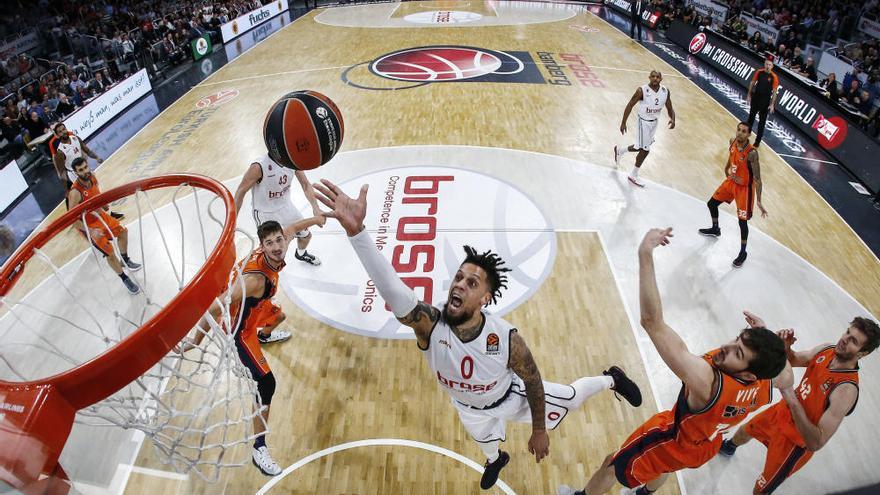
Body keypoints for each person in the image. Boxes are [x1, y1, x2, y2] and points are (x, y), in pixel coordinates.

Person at [312, 178, 643, 490]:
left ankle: (611, 379)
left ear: (485, 299)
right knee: (484, 442)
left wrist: (539, 429)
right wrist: (358, 233)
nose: (459, 284)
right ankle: (496, 458)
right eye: (458, 277)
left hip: (511, 398)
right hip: (468, 405)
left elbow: (533, 381)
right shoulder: (430, 324)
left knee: (571, 398)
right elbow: (395, 293)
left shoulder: (506, 339)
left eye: (472, 283)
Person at [556, 228, 790, 495]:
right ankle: (644, 494)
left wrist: (645, 253)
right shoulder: (767, 381)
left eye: (738, 354)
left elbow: (652, 323)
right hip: (706, 444)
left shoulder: (707, 382)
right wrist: (766, 338)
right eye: (736, 341)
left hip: (674, 439)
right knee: (665, 467)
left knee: (612, 464)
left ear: (749, 374)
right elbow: (787, 375)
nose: (726, 348)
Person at [178, 217, 325, 476]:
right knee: (267, 384)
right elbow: (215, 306)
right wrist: (194, 340)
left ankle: (266, 337)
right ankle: (259, 448)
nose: (277, 246)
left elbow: (292, 228)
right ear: (263, 246)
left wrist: (321, 216)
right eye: (270, 243)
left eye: (279, 239)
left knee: (279, 316)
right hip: (240, 330)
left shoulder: (280, 244)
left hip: (258, 307)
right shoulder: (254, 282)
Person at [719, 315, 878, 494]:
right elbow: (793, 359)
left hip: (794, 442)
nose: (844, 340)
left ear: (862, 353)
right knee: (744, 431)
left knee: (761, 489)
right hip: (781, 412)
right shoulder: (827, 349)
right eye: (847, 332)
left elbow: (816, 442)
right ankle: (728, 446)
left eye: (853, 341)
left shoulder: (846, 390)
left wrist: (791, 399)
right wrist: (786, 347)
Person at [233, 154, 323, 269]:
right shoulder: (258, 167)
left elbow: (306, 185)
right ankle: (265, 277)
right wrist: (232, 222)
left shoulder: (293, 159)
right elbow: (240, 192)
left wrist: (316, 208)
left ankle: (301, 254)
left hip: (286, 208)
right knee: (274, 255)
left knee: (306, 236)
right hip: (265, 214)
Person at [67, 158, 141, 294]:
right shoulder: (75, 193)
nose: (85, 171)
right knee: (110, 253)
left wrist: (104, 204)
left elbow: (96, 194)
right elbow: (71, 220)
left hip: (100, 215)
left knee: (123, 233)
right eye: (81, 170)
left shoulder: (93, 177)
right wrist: (90, 231)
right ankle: (125, 279)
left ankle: (125, 260)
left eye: (85, 167)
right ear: (76, 173)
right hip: (88, 226)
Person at [699, 122, 767, 268]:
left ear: (749, 135)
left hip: (745, 189)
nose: (740, 133)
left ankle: (743, 252)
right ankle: (715, 229)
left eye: (743, 131)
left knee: (742, 222)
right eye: (738, 130)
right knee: (711, 203)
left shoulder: (752, 153)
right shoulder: (733, 141)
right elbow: (731, 155)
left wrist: (759, 201)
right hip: (731, 182)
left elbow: (758, 179)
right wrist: (726, 168)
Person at [614, 70, 676, 187]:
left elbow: (669, 107)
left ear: (661, 78)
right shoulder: (641, 90)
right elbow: (630, 104)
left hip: (654, 122)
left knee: (639, 147)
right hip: (643, 122)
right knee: (645, 150)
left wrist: (673, 118)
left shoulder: (665, 91)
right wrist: (623, 122)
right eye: (653, 76)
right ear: (649, 78)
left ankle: (620, 151)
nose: (655, 79)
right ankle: (633, 174)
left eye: (657, 77)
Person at [746, 56, 779, 148]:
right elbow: (752, 83)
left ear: (772, 66)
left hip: (765, 101)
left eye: (769, 64)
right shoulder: (759, 72)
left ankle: (757, 141)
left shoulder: (774, 77)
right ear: (764, 64)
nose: (768, 66)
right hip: (756, 97)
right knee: (751, 118)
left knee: (762, 122)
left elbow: (775, 92)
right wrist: (749, 95)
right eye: (766, 64)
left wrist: (772, 104)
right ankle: (746, 135)